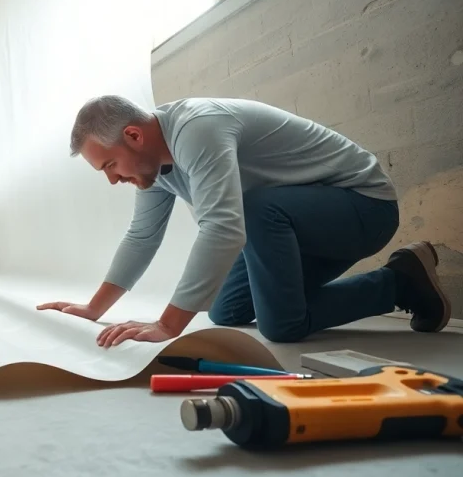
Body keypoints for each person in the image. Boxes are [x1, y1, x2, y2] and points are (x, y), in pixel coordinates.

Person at [38, 96, 451, 345]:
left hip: (365, 207)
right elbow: (142, 236)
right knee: (225, 309)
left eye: (110, 165)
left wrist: (167, 325)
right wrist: (94, 309)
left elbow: (224, 227)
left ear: (133, 136)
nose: (113, 179)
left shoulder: (196, 127)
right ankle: (403, 280)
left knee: (280, 319)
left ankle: (396, 283)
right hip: (299, 226)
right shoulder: (153, 168)